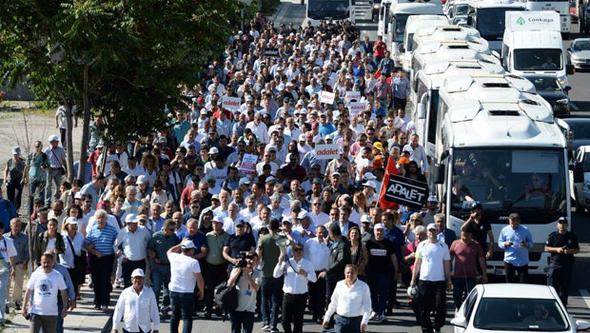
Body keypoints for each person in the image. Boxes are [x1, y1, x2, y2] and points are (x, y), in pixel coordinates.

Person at [410, 223, 452, 333]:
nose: (432, 233)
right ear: (427, 233)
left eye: (434, 230)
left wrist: (448, 281)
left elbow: (447, 265)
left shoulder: (443, 246)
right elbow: (417, 263)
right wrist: (413, 280)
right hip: (424, 281)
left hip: (439, 281)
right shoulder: (422, 245)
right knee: (423, 308)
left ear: (437, 232)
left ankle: (437, 325)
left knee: (440, 307)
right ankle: (426, 328)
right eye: (430, 231)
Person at [273, 243, 317, 333]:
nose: (298, 251)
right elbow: (276, 275)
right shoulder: (287, 263)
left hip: (301, 296)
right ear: (292, 251)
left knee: (298, 322)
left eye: (300, 249)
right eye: (296, 250)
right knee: (284, 321)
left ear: (303, 251)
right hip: (288, 296)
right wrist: (280, 262)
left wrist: (305, 274)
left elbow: (314, 279)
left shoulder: (308, 263)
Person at [22, 253, 68, 333]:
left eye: (48, 262)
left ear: (53, 262)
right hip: (35, 312)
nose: (46, 264)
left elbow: (63, 292)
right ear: (40, 262)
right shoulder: (35, 274)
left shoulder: (57, 275)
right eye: (44, 262)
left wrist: (65, 307)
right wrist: (24, 307)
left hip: (51, 313)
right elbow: (28, 290)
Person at [167, 239, 205, 333]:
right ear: (191, 250)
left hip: (174, 290)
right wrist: (202, 291)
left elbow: (169, 251)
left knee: (175, 316)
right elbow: (199, 279)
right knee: (187, 318)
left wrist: (180, 244)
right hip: (187, 292)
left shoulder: (174, 257)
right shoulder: (193, 262)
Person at [323, 264, 372, 333]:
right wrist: (327, 318)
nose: (350, 275)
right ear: (344, 273)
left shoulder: (364, 286)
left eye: (352, 272)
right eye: (348, 272)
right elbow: (333, 303)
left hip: (356, 322)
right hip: (340, 321)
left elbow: (367, 307)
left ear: (356, 273)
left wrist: (364, 322)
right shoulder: (339, 284)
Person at [85, 209, 119, 311]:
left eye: (102, 218)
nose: (100, 220)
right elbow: (87, 244)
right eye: (98, 218)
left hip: (108, 258)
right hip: (96, 258)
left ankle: (105, 302)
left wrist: (118, 250)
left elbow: (117, 242)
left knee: (105, 281)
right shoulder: (92, 229)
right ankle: (97, 302)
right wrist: (94, 252)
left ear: (106, 219)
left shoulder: (112, 229)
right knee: (96, 281)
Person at [365, 223, 398, 323]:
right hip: (371, 272)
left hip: (385, 273)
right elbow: (366, 257)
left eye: (381, 230)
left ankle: (381, 312)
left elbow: (393, 257)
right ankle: (374, 311)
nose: (379, 232)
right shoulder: (369, 243)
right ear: (374, 231)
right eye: (377, 230)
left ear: (384, 231)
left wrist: (396, 270)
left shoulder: (388, 243)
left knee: (383, 294)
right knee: (372, 294)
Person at [449, 226, 487, 311]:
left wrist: (484, 274)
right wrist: (448, 273)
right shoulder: (455, 243)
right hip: (457, 276)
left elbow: (481, 259)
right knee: (456, 296)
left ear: (471, 235)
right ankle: (459, 309)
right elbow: (449, 259)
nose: (464, 238)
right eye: (462, 235)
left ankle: (467, 312)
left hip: (471, 276)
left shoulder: (476, 245)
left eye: (466, 236)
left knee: (470, 297)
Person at [112, 268, 160, 333]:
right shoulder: (125, 292)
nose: (138, 280)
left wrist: (156, 327)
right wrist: (115, 327)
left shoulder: (149, 292)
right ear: (132, 279)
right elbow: (118, 310)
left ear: (143, 279)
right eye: (136, 278)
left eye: (140, 278)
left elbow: (154, 310)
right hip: (129, 329)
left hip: (145, 329)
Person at [544, 217, 579, 306]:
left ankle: (563, 307)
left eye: (564, 223)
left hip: (567, 265)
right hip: (554, 265)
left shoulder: (572, 235)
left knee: (564, 289)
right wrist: (557, 249)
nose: (562, 225)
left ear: (567, 225)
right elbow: (546, 248)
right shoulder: (552, 235)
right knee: (552, 288)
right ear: (557, 225)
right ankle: (552, 307)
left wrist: (569, 251)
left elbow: (577, 249)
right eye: (560, 223)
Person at [148, 219, 180, 317]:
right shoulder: (156, 236)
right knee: (156, 289)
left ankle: (165, 307)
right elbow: (149, 248)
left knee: (168, 289)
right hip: (157, 267)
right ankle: (154, 308)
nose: (173, 231)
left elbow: (177, 249)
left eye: (174, 229)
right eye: (171, 229)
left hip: (169, 267)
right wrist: (153, 257)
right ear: (165, 228)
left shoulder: (174, 237)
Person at [257, 219, 282, 332]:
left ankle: (266, 322)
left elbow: (259, 255)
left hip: (265, 272)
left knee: (265, 299)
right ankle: (273, 324)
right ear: (278, 227)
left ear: (269, 227)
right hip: (278, 273)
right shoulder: (281, 239)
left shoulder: (263, 238)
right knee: (276, 300)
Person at [115, 213, 152, 288]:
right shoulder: (122, 232)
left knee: (140, 285)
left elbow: (150, 241)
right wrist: (121, 256)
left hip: (141, 262)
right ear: (128, 224)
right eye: (133, 223)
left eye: (136, 222)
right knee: (128, 285)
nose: (136, 224)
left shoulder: (143, 230)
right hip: (127, 262)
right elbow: (115, 245)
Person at [304, 225, 331, 324]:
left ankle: (320, 315)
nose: (320, 234)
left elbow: (330, 259)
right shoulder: (309, 242)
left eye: (322, 232)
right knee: (312, 295)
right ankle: (314, 314)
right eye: (318, 232)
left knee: (321, 295)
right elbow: (305, 256)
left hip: (323, 273)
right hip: (311, 272)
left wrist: (327, 270)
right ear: (315, 233)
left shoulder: (328, 244)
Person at [227, 252, 261, 333]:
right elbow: (229, 285)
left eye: (254, 260)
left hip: (249, 309)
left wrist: (247, 276)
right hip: (235, 308)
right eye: (249, 259)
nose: (251, 261)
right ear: (245, 259)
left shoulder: (257, 273)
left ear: (256, 262)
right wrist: (239, 270)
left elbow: (256, 288)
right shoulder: (236, 269)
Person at [498, 213, 533, 283]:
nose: (513, 226)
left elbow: (531, 243)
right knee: (509, 283)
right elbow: (500, 242)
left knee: (523, 283)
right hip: (509, 261)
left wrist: (526, 244)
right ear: (509, 221)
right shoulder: (504, 230)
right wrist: (505, 244)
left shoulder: (525, 230)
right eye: (511, 223)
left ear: (519, 222)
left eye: (515, 224)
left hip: (522, 261)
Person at [6, 217, 29, 310]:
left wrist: (25, 262)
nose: (17, 227)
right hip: (7, 264)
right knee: (6, 284)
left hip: (19, 263)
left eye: (19, 226)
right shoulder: (5, 237)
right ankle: (6, 302)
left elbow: (27, 251)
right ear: (10, 226)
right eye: (15, 225)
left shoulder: (25, 238)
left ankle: (16, 302)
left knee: (18, 284)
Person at [0, 222, 17, 326]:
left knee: (1, 294)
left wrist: (13, 268)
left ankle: (1, 318)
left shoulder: (8, 241)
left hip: (4, 269)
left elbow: (12, 256)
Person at [44, 135, 67, 206]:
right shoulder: (47, 150)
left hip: (58, 169)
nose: (55, 143)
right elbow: (44, 160)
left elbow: (63, 160)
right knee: (48, 186)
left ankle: (56, 199)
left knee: (58, 186)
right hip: (50, 169)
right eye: (53, 142)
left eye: (56, 141)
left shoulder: (61, 150)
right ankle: (47, 202)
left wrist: (66, 168)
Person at [4, 146, 26, 211]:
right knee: (10, 197)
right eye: (14, 154)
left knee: (18, 196)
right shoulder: (10, 161)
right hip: (11, 181)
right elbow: (6, 170)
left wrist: (23, 178)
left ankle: (16, 209)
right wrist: (5, 179)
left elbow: (25, 171)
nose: (15, 156)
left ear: (19, 154)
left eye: (17, 154)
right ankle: (10, 209)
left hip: (19, 181)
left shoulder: (23, 162)